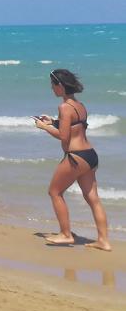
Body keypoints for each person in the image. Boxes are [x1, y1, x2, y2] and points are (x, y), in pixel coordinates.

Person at [35, 68, 111, 250]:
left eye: (53, 85)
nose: (52, 89)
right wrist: (52, 121)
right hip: (90, 155)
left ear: (60, 86)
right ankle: (103, 241)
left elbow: (64, 136)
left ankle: (66, 234)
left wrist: (43, 127)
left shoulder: (64, 107)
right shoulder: (79, 105)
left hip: (76, 157)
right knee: (93, 198)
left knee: (55, 192)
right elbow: (74, 127)